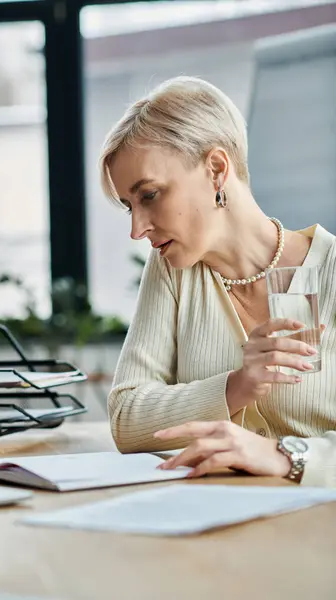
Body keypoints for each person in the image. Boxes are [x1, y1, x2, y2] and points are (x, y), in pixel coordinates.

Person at [99, 76, 336, 487]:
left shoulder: (330, 270)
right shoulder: (172, 267)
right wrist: (237, 386)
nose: (138, 229)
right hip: (213, 529)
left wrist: (284, 455)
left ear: (216, 169)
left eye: (150, 195)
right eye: (129, 207)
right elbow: (127, 418)